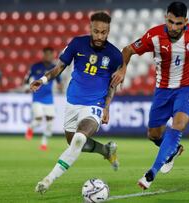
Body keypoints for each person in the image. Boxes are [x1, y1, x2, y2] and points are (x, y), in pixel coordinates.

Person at [111, 1, 189, 189]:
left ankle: (151, 173)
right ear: (166, 18)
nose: (173, 27)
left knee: (178, 125)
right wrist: (123, 70)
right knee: (153, 134)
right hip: (163, 90)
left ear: (185, 21)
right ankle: (173, 150)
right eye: (170, 22)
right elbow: (128, 50)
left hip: (188, 87)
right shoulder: (154, 36)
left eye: (178, 23)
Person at [31, 12, 122, 194]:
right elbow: (58, 68)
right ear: (90, 28)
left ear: (108, 31)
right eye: (96, 31)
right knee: (74, 142)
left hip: (94, 104)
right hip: (72, 103)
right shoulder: (77, 44)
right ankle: (106, 150)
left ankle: (48, 180)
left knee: (80, 138)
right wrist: (42, 80)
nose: (99, 36)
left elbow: (113, 85)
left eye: (104, 32)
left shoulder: (114, 55)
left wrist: (106, 106)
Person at [24, 47, 62, 151]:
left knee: (50, 121)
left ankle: (43, 144)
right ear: (43, 55)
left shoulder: (54, 68)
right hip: (37, 98)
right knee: (39, 119)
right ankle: (31, 128)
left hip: (49, 99)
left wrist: (60, 86)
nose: (48, 56)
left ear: (53, 55)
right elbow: (27, 79)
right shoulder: (36, 67)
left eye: (50, 54)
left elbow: (59, 82)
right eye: (46, 54)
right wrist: (27, 87)